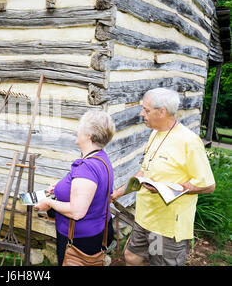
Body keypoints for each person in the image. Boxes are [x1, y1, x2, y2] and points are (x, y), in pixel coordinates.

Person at [111, 88, 215, 266]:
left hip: (166, 226)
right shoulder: (155, 134)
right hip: (145, 218)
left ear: (162, 112)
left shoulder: (188, 141)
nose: (142, 113)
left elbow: (208, 185)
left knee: (159, 261)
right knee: (131, 256)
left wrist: (168, 188)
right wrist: (117, 193)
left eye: (146, 110)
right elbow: (144, 172)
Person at [35, 110, 116, 266]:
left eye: (80, 127)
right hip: (96, 230)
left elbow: (77, 212)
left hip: (79, 240)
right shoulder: (101, 158)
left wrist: (49, 203)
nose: (76, 131)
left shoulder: (87, 167)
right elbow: (89, 189)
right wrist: (58, 188)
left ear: (89, 136)